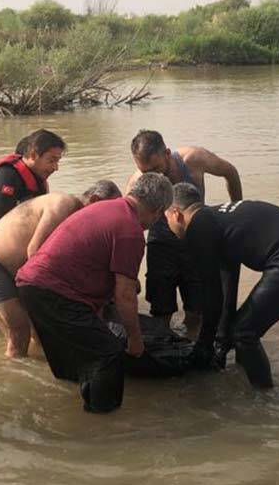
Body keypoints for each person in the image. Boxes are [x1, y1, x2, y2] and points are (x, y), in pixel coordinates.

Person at [15, 173, 173, 413]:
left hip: (31, 286)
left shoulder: (104, 207)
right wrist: (135, 339)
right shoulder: (130, 231)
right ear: (159, 211)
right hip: (53, 291)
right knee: (108, 355)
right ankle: (101, 423)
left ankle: (64, 415)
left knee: (75, 361)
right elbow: (124, 295)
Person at [162, 183, 279, 388]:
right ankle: (241, 383)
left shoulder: (197, 228)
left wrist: (203, 345)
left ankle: (263, 398)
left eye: (165, 218)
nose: (167, 225)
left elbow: (212, 296)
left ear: (176, 213)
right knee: (240, 330)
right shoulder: (216, 221)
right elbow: (227, 285)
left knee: (243, 333)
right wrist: (221, 341)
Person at [0, 180, 122, 357]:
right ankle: (11, 373)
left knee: (41, 336)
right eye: (107, 211)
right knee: (19, 332)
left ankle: (35, 371)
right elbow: (34, 251)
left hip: (13, 270)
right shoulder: (64, 205)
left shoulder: (78, 220)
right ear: (94, 201)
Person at [128, 130, 242, 339]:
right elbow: (129, 227)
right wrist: (130, 274)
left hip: (195, 239)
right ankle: (165, 344)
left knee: (196, 309)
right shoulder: (137, 182)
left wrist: (236, 209)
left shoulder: (194, 159)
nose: (155, 177)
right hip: (161, 243)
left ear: (167, 153)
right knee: (161, 310)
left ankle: (192, 346)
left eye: (156, 169)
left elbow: (230, 172)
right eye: (146, 172)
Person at [0, 129, 65, 323]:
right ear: (33, 154)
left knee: (22, 317)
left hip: (11, 254)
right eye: (51, 160)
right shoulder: (6, 177)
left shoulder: (37, 179)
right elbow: (6, 226)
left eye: (58, 161)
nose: (56, 167)